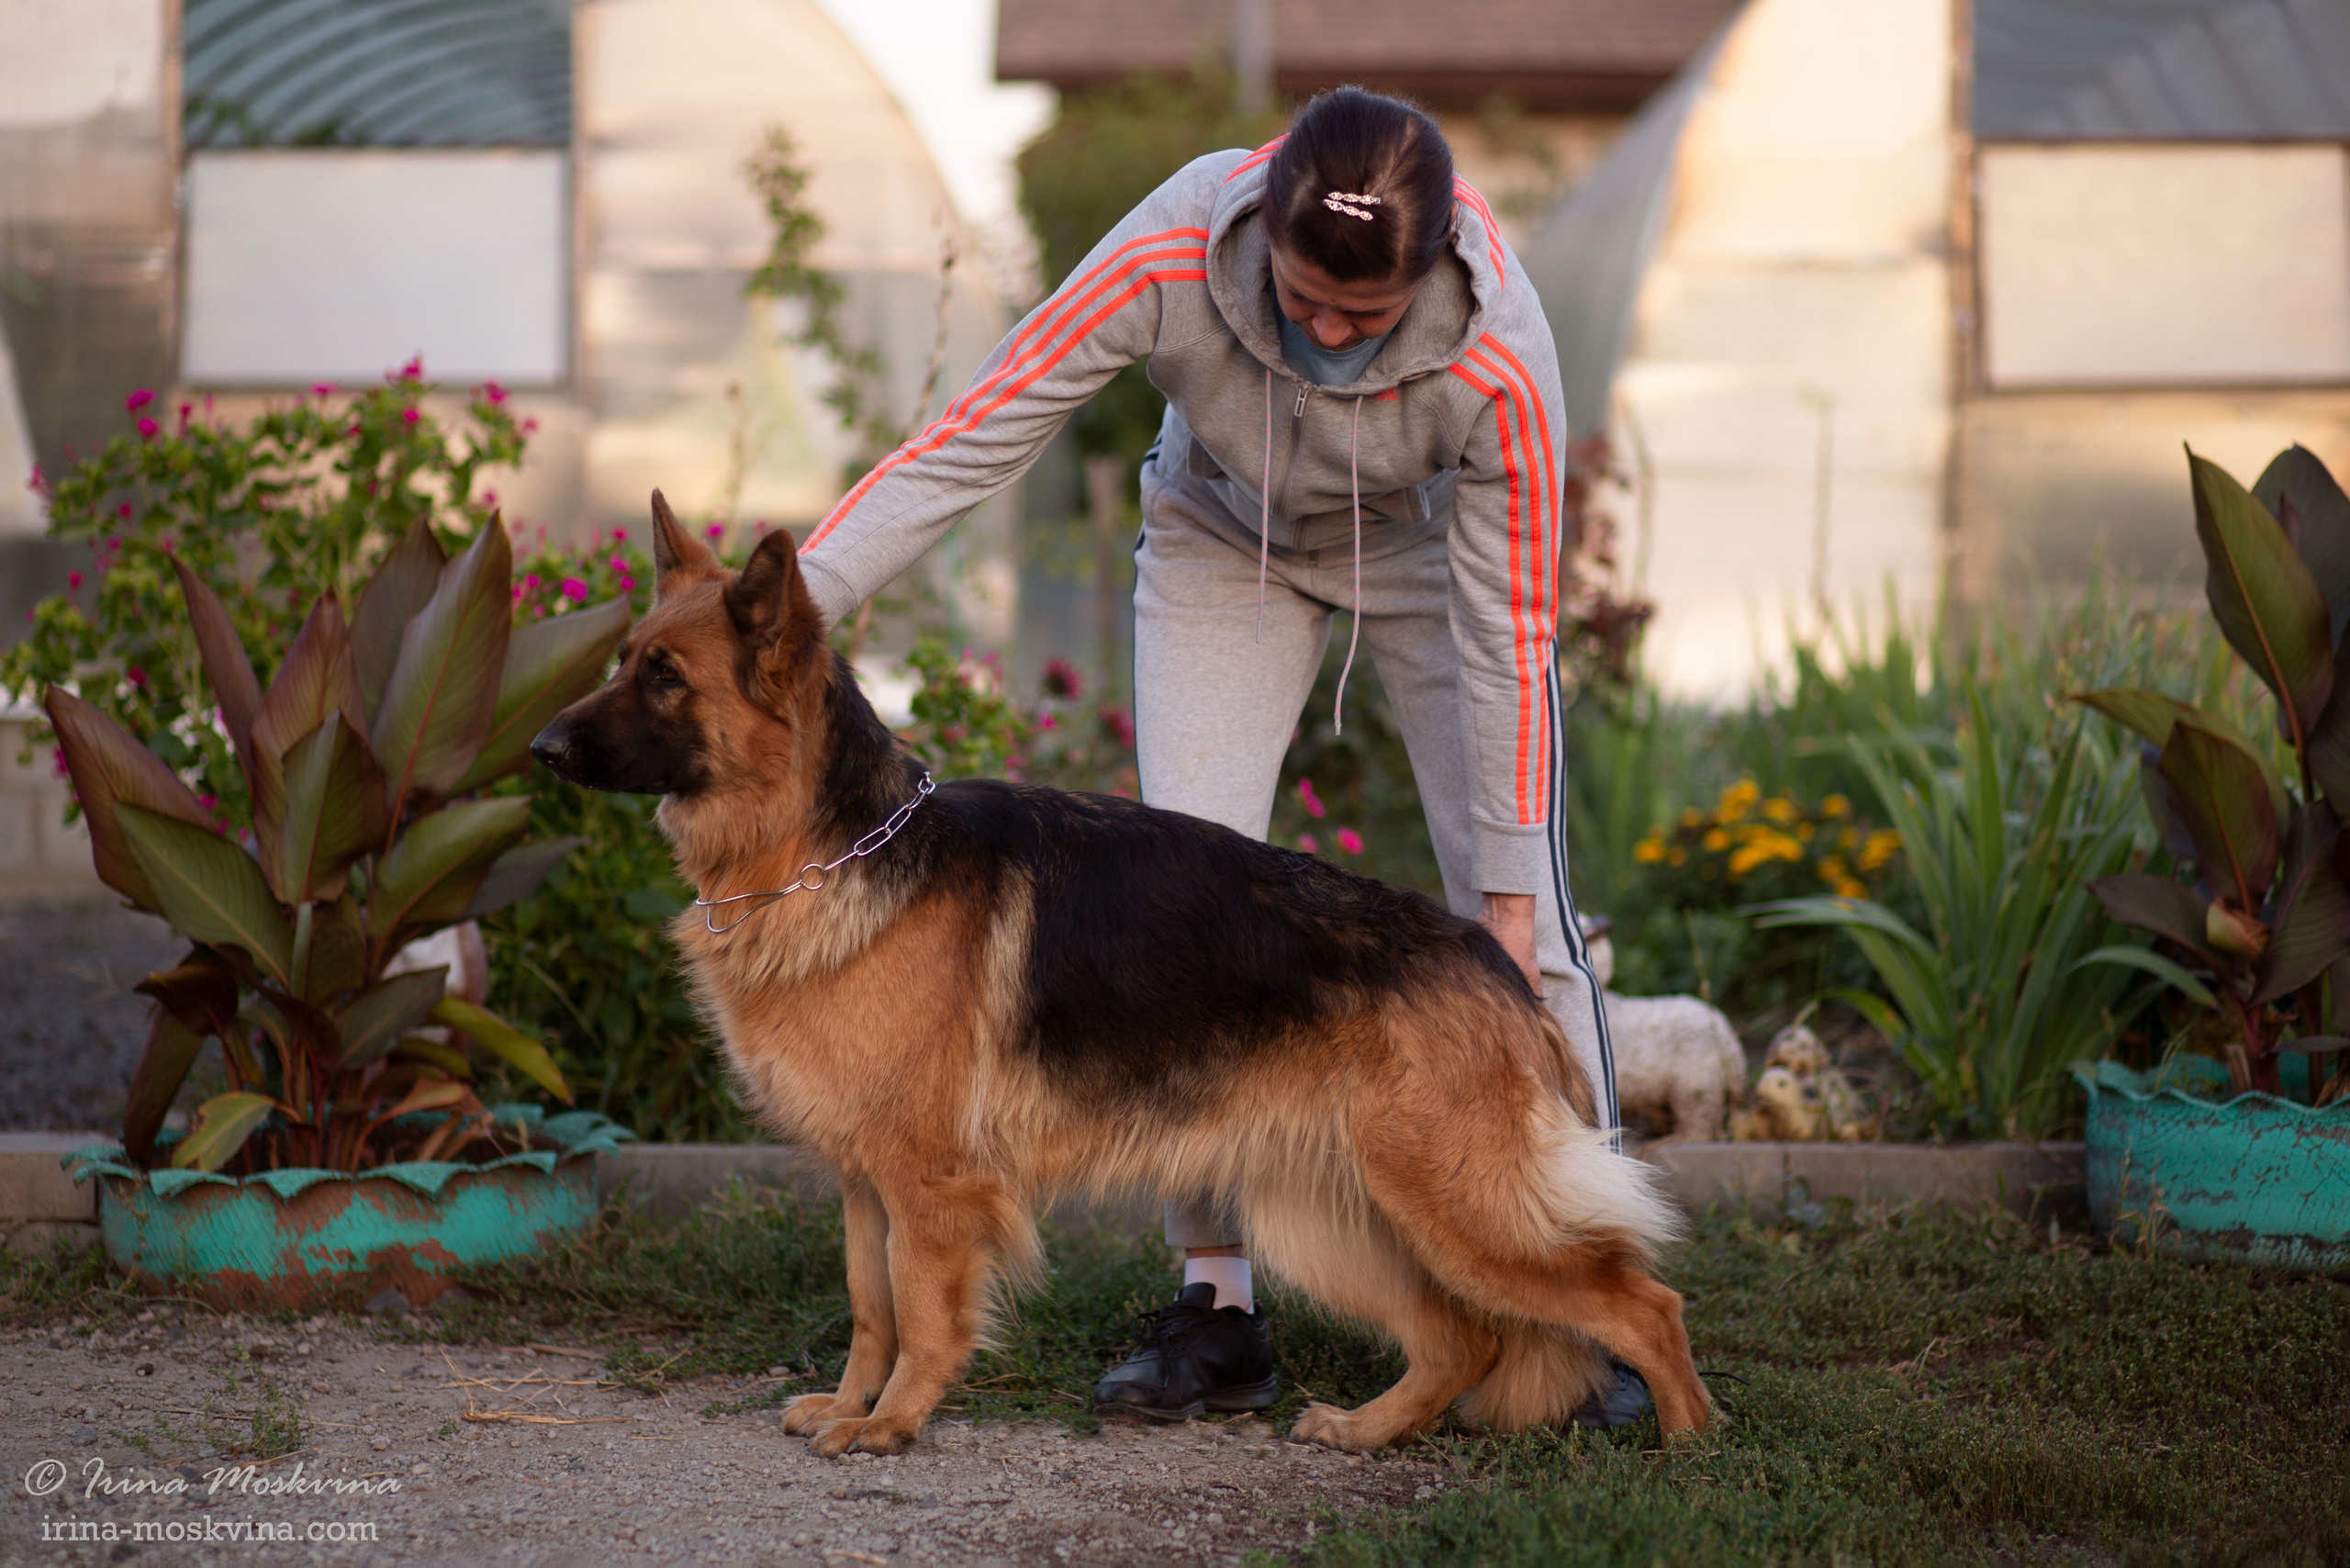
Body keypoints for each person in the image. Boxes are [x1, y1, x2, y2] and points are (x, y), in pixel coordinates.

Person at [796, 85, 1641, 1428]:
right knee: (1173, 928)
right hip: (1220, 542)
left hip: (1427, 560)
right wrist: (787, 609)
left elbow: (1513, 640)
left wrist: (1506, 893)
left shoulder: (1501, 357)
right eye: (1302, 296)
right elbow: (980, 436)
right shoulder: (1170, 248)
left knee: (1519, 912)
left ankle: (1586, 1300)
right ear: (1262, 231)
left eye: (1362, 320)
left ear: (1429, 272)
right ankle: (1219, 1306)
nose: (1322, 331)